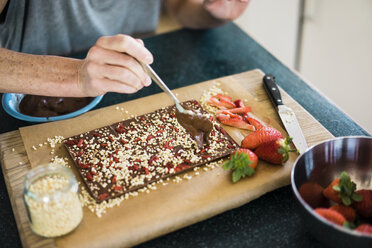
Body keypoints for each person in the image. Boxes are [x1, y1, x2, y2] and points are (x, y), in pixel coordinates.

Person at [0, 0, 250, 97]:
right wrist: (74, 76)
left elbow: (180, 7)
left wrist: (214, 11)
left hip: (125, 89)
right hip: (19, 105)